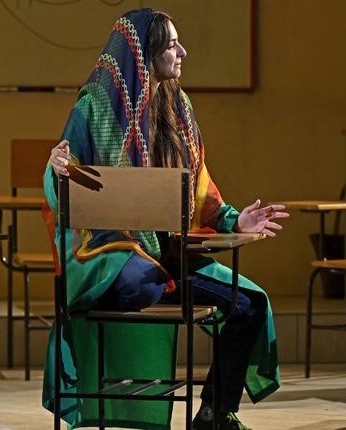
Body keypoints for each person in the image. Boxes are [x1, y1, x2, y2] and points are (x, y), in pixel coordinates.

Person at [42, 9, 288, 430]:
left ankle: (213, 413)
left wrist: (234, 222)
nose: (182, 52)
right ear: (145, 53)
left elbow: (200, 190)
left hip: (169, 255)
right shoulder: (95, 104)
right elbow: (64, 173)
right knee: (141, 281)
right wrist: (57, 167)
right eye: (172, 45)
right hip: (109, 252)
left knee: (249, 303)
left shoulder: (178, 107)